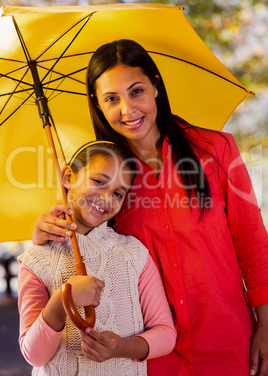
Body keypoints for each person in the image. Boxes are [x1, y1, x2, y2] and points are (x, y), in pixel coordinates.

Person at [31, 39, 268, 376]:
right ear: (98, 106)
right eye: (112, 99)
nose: (128, 110)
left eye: (136, 91)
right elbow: (82, 241)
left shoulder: (216, 150)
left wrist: (266, 324)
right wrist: (45, 231)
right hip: (147, 355)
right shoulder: (107, 181)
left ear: (156, 87)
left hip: (229, 341)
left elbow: (253, 243)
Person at [18, 141, 177, 376]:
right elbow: (35, 355)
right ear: (68, 177)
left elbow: (165, 333)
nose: (105, 197)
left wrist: (120, 348)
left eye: (117, 193)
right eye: (99, 181)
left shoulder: (134, 254)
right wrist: (62, 301)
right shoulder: (37, 258)